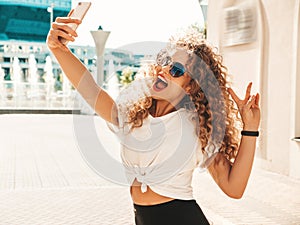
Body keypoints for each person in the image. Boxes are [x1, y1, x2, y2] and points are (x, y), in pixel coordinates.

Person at [46, 17, 261, 225]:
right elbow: (90, 89)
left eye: (176, 70)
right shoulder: (133, 114)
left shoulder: (200, 128)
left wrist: (250, 129)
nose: (165, 70)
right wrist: (57, 49)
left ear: (191, 86)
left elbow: (234, 188)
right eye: (165, 62)